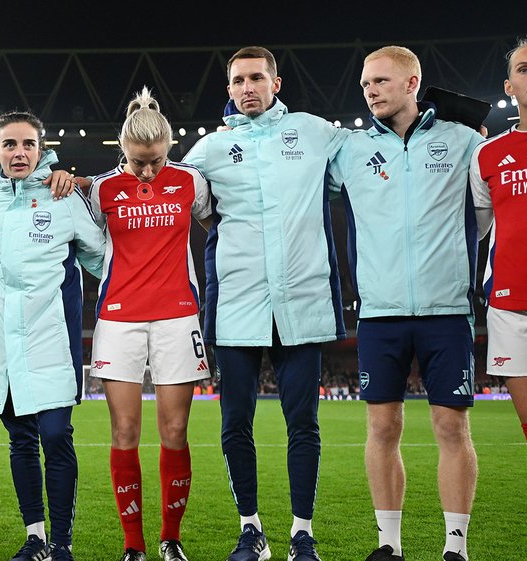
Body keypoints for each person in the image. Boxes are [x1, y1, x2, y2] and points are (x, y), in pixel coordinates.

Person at [181, 46, 349, 561]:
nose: (247, 87)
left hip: (301, 299)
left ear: (276, 82)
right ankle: (251, 529)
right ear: (228, 89)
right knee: (235, 425)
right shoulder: (209, 150)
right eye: (238, 80)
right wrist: (79, 183)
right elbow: (163, 190)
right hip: (237, 303)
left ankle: (302, 533)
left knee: (304, 423)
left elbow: (373, 156)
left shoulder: (314, 131)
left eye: (257, 77)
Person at [328, 46, 484, 561]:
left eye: (381, 81)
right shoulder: (348, 151)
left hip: (446, 310)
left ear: (413, 82)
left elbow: (490, 203)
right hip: (379, 311)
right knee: (382, 426)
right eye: (365, 83)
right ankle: (388, 545)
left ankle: (455, 547)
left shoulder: (462, 142)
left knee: (450, 426)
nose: (370, 90)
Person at [0, 111, 105, 561]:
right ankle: (35, 537)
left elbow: (101, 257)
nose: (19, 153)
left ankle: (62, 542)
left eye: (28, 144)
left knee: (55, 435)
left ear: (41, 149)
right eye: (9, 145)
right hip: (1, 343)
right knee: (21, 439)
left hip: (52, 339)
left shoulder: (62, 197)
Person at [88, 87, 211, 561]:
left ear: (168, 149)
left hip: (179, 316)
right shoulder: (101, 190)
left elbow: (218, 224)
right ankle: (133, 544)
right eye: (138, 161)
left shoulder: (190, 183)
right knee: (124, 432)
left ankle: (170, 538)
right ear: (123, 149)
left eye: (156, 160)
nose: (147, 171)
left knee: (175, 431)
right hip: (118, 320)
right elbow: (78, 238)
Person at [470, 39, 527, 443]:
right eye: (523, 69)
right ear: (509, 87)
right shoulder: (488, 154)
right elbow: (479, 226)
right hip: (510, 304)